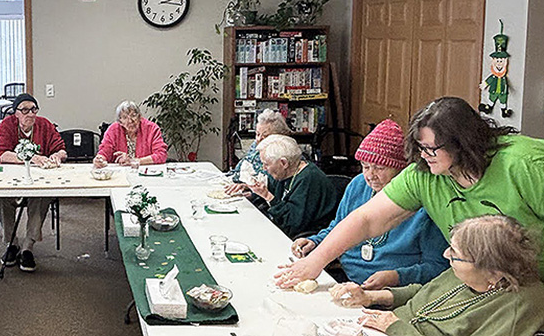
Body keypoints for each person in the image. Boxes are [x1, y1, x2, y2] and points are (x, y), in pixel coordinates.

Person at [276, 96, 544, 288]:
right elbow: (367, 219)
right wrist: (316, 262)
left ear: (463, 143)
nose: (423, 156)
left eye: (430, 149)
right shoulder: (424, 173)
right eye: (419, 148)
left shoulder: (524, 164)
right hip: (486, 286)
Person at [292, 119, 449, 289]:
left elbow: (437, 267)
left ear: (401, 170)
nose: (370, 175)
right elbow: (339, 226)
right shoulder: (358, 185)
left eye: (379, 168)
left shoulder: (423, 203)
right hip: (345, 280)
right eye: (365, 166)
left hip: (396, 292)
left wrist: (396, 277)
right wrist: (316, 241)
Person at [330, 215, 544, 335]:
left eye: (455, 254)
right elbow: (425, 292)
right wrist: (371, 297)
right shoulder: (466, 272)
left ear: (493, 270)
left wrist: (396, 327)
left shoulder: (519, 307)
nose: (445, 255)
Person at [0, 93, 67, 272]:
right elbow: (3, 154)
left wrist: (57, 156)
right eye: (25, 110)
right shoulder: (7, 125)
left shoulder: (44, 124)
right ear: (16, 113)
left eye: (33, 109)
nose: (30, 114)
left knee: (42, 196)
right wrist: (31, 157)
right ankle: (11, 244)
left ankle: (28, 246)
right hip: (12, 176)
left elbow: (61, 149)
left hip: (39, 178)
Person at [225, 134, 339, 238]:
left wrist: (268, 196)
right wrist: (250, 190)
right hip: (281, 228)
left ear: (284, 163)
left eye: (266, 164)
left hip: (303, 237)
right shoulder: (283, 173)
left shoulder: (309, 179)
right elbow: (269, 191)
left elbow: (291, 224)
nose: (264, 169)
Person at [93, 101, 167, 168]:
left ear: (139, 116)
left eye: (133, 115)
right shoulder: (113, 130)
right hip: (120, 174)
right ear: (120, 121)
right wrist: (100, 159)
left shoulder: (151, 129)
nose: (130, 121)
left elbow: (161, 155)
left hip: (146, 172)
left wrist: (134, 161)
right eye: (125, 117)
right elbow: (104, 151)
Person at [227, 108, 291, 182]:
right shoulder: (256, 145)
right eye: (257, 134)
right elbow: (242, 164)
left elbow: (270, 184)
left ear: (279, 136)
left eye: (265, 136)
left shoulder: (282, 154)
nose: (259, 139)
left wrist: (247, 186)